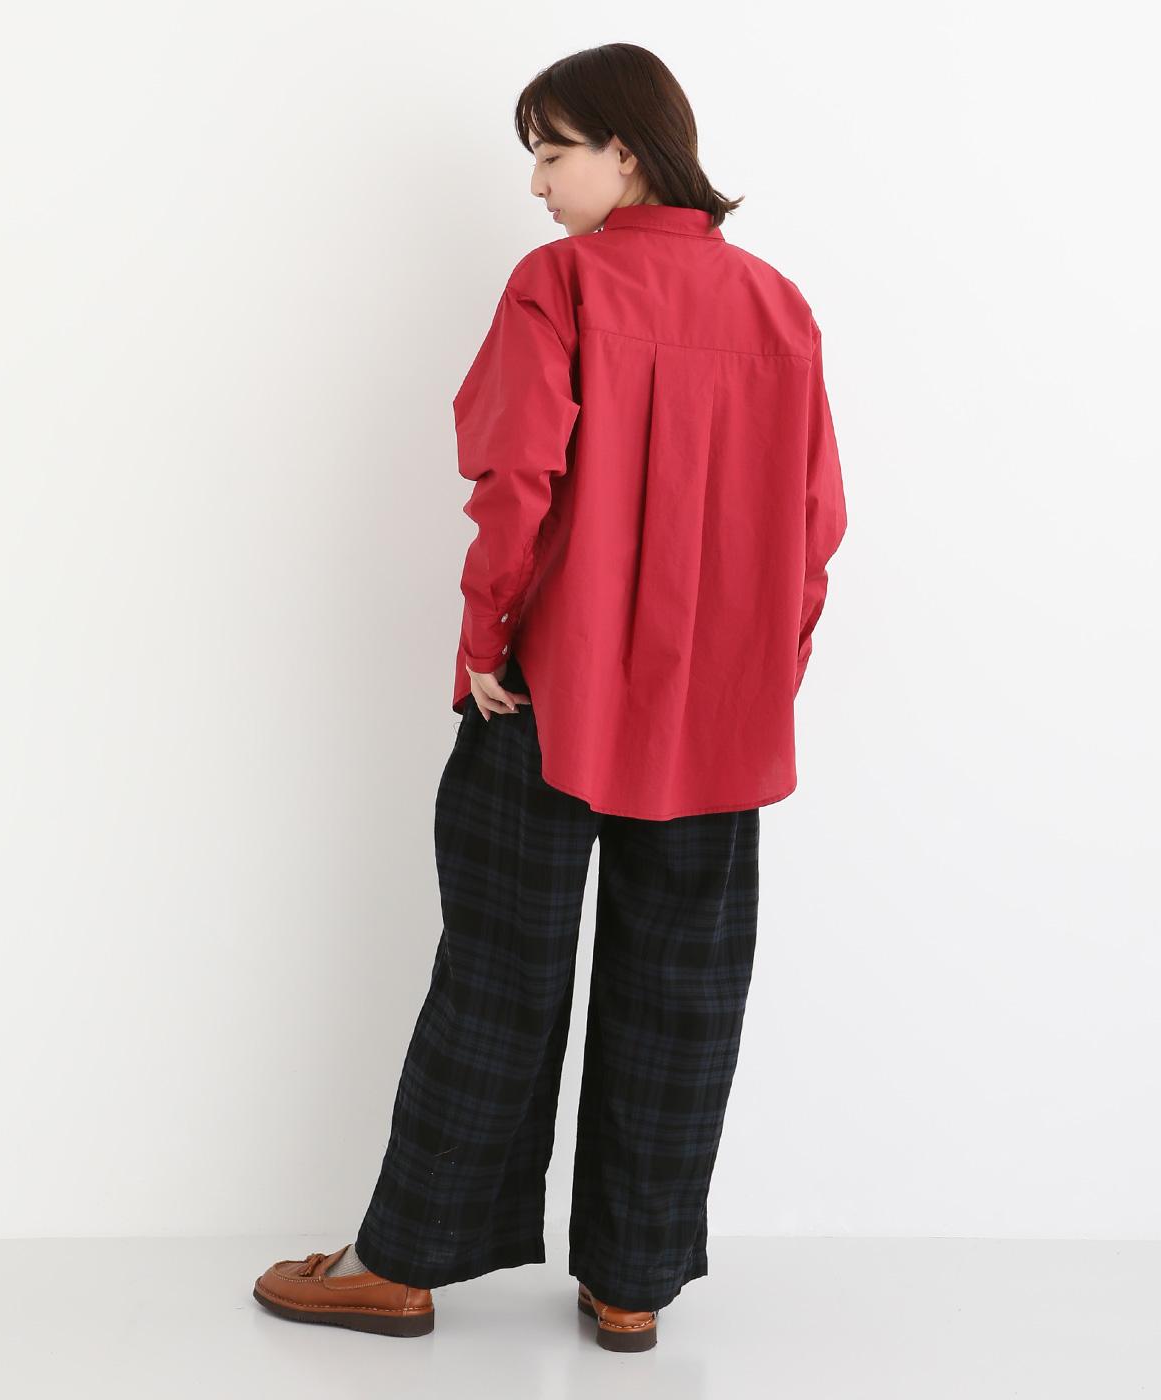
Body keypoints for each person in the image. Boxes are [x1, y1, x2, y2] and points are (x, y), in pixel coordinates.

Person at [253, 41, 847, 1353]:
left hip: (547, 698)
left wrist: (484, 639)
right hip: (716, 713)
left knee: (498, 970)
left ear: (626, 150)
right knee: (684, 985)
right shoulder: (779, 306)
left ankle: (400, 1265)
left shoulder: (559, 283)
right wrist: (764, 674)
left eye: (552, 151)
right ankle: (632, 1282)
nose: (536, 184)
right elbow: (816, 525)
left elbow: (519, 478)